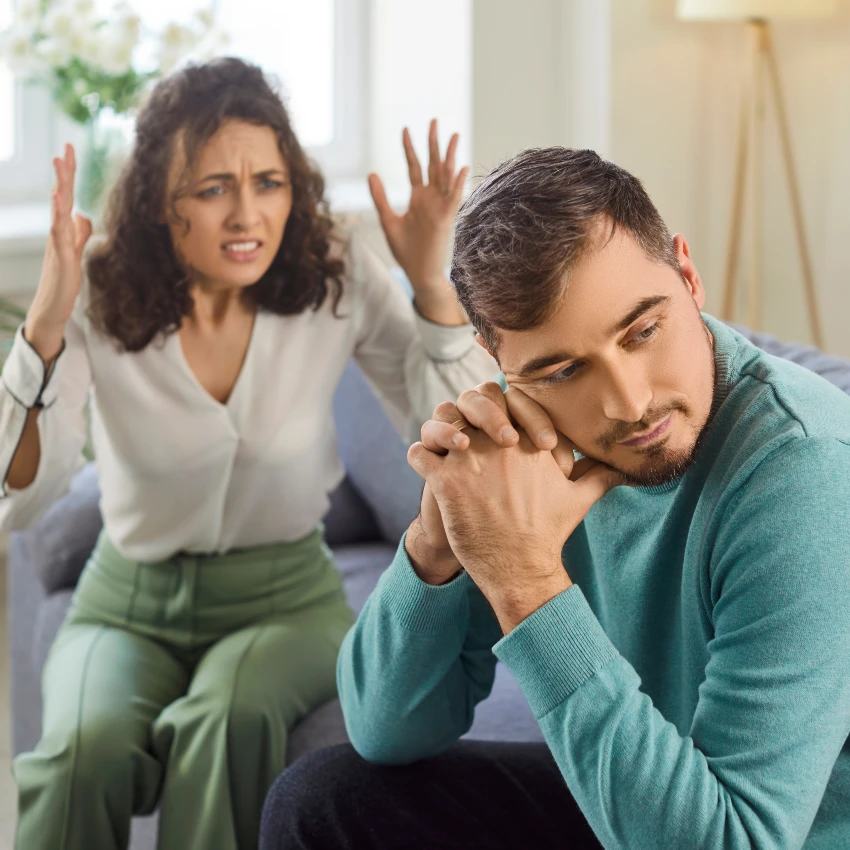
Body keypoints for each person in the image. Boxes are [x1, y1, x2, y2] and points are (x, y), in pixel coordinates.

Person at [259, 148, 850, 849]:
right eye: (564, 370)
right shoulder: (524, 451)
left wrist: (526, 582)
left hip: (748, 832)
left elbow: (734, 839)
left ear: (688, 274)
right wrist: (438, 540)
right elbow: (387, 731)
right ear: (499, 363)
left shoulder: (803, 465)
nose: (630, 403)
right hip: (639, 804)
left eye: (643, 331)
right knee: (323, 801)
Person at [0, 56, 510, 850]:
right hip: (124, 604)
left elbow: (460, 427)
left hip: (284, 601)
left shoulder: (333, 273)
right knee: (78, 752)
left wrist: (432, 292)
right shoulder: (98, 291)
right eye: (214, 189)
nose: (248, 215)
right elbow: (25, 497)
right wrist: (42, 332)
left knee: (224, 720)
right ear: (161, 205)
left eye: (268, 183)